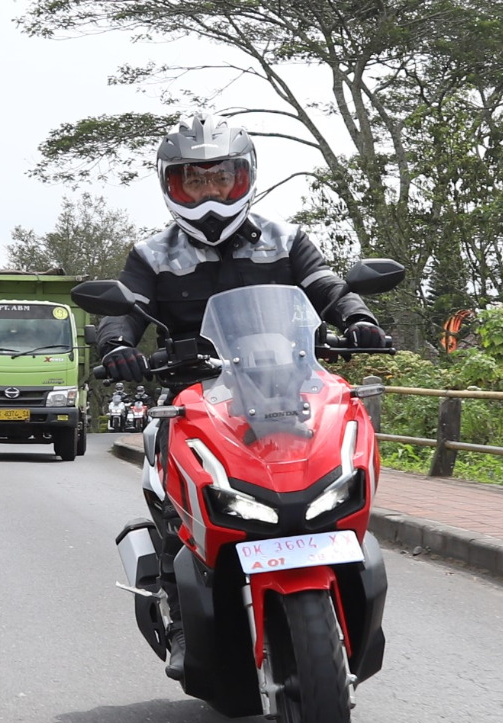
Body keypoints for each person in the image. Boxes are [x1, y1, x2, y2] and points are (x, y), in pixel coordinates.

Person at [95, 112, 387, 681]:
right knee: (168, 491)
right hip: (194, 402)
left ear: (244, 178)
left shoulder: (285, 239)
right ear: (172, 186)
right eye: (194, 181)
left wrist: (358, 317)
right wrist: (115, 347)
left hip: (289, 393)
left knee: (335, 466)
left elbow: (325, 286)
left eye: (221, 178)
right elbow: (120, 311)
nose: (210, 192)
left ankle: (339, 581)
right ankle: (177, 605)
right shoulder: (151, 254)